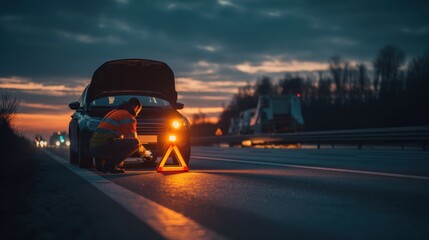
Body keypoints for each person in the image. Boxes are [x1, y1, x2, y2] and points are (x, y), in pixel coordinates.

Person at [89, 97, 147, 173]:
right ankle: (110, 166)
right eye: (138, 111)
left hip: (94, 148)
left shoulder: (114, 112)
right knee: (135, 143)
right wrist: (146, 153)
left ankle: (102, 165)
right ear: (135, 107)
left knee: (119, 154)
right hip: (102, 147)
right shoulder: (128, 116)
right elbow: (133, 140)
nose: (137, 114)